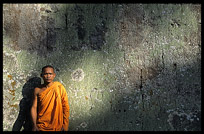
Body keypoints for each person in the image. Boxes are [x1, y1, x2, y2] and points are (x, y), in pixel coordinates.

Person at [31, 65, 70, 131]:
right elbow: (33, 107)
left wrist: (65, 125)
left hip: (57, 126)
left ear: (54, 75)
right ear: (41, 75)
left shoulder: (59, 87)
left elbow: (65, 106)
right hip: (41, 125)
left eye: (50, 74)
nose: (48, 76)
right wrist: (34, 125)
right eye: (46, 74)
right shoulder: (37, 90)